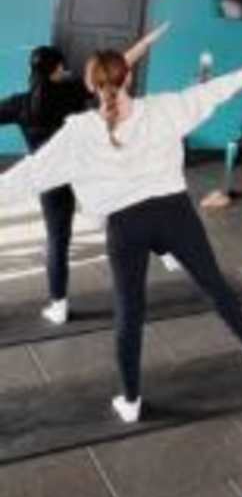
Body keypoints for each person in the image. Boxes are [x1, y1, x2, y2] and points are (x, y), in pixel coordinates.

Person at [0, 47, 242, 423]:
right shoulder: (162, 108)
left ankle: (130, 402)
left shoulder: (78, 131)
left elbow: (31, 174)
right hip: (175, 215)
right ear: (128, 77)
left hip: (125, 227)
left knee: (129, 313)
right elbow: (211, 92)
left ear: (90, 84)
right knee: (212, 281)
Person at [0, 24, 169, 325]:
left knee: (57, 239)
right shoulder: (72, 89)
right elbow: (122, 63)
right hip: (85, 169)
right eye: (62, 66)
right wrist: (146, 41)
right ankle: (165, 250)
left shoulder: (19, 103)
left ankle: (58, 306)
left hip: (49, 177)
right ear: (57, 69)